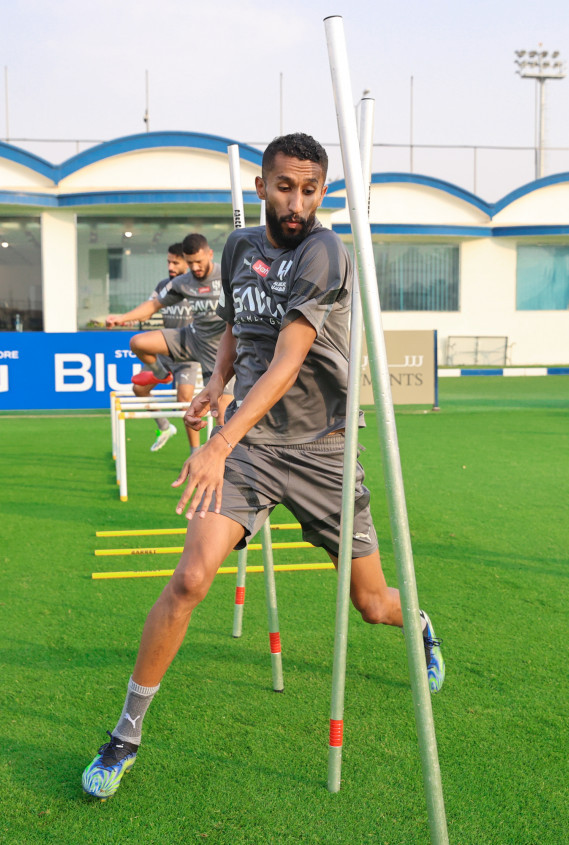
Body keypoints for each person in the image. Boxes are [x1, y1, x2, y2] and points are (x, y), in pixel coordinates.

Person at [82, 132, 445, 801]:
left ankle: (418, 622)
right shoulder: (237, 247)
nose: (297, 202)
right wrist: (217, 387)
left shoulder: (324, 250)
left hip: (323, 451)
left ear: (323, 192)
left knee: (372, 604)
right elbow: (236, 332)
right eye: (285, 186)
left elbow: (287, 358)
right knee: (190, 578)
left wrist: (218, 440)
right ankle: (125, 735)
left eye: (310, 189)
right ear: (261, 186)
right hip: (250, 446)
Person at [107, 233, 233, 429]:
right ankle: (160, 373)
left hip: (219, 348)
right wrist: (121, 318)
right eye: (190, 263)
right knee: (138, 343)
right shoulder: (182, 282)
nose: (195, 268)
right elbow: (153, 305)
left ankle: (223, 456)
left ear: (210, 254)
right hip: (192, 337)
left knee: (222, 415)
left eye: (199, 262)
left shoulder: (228, 275)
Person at [103, 244, 202, 452]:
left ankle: (195, 451)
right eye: (168, 261)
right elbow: (147, 310)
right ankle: (165, 427)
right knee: (139, 389)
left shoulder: (196, 286)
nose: (171, 266)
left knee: (184, 399)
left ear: (187, 262)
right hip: (165, 350)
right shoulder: (163, 286)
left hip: (189, 354)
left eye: (176, 262)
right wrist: (126, 319)